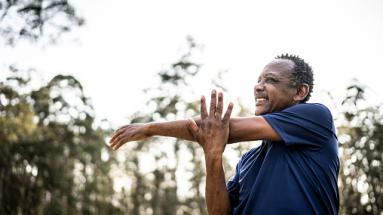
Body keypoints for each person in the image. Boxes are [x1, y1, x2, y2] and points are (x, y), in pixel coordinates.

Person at [109, 54, 339, 215]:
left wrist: (150, 128)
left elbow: (222, 129)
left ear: (300, 91)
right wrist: (213, 156)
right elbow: (220, 212)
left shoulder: (316, 117)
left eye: (271, 80)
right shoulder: (247, 161)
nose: (258, 86)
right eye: (258, 80)